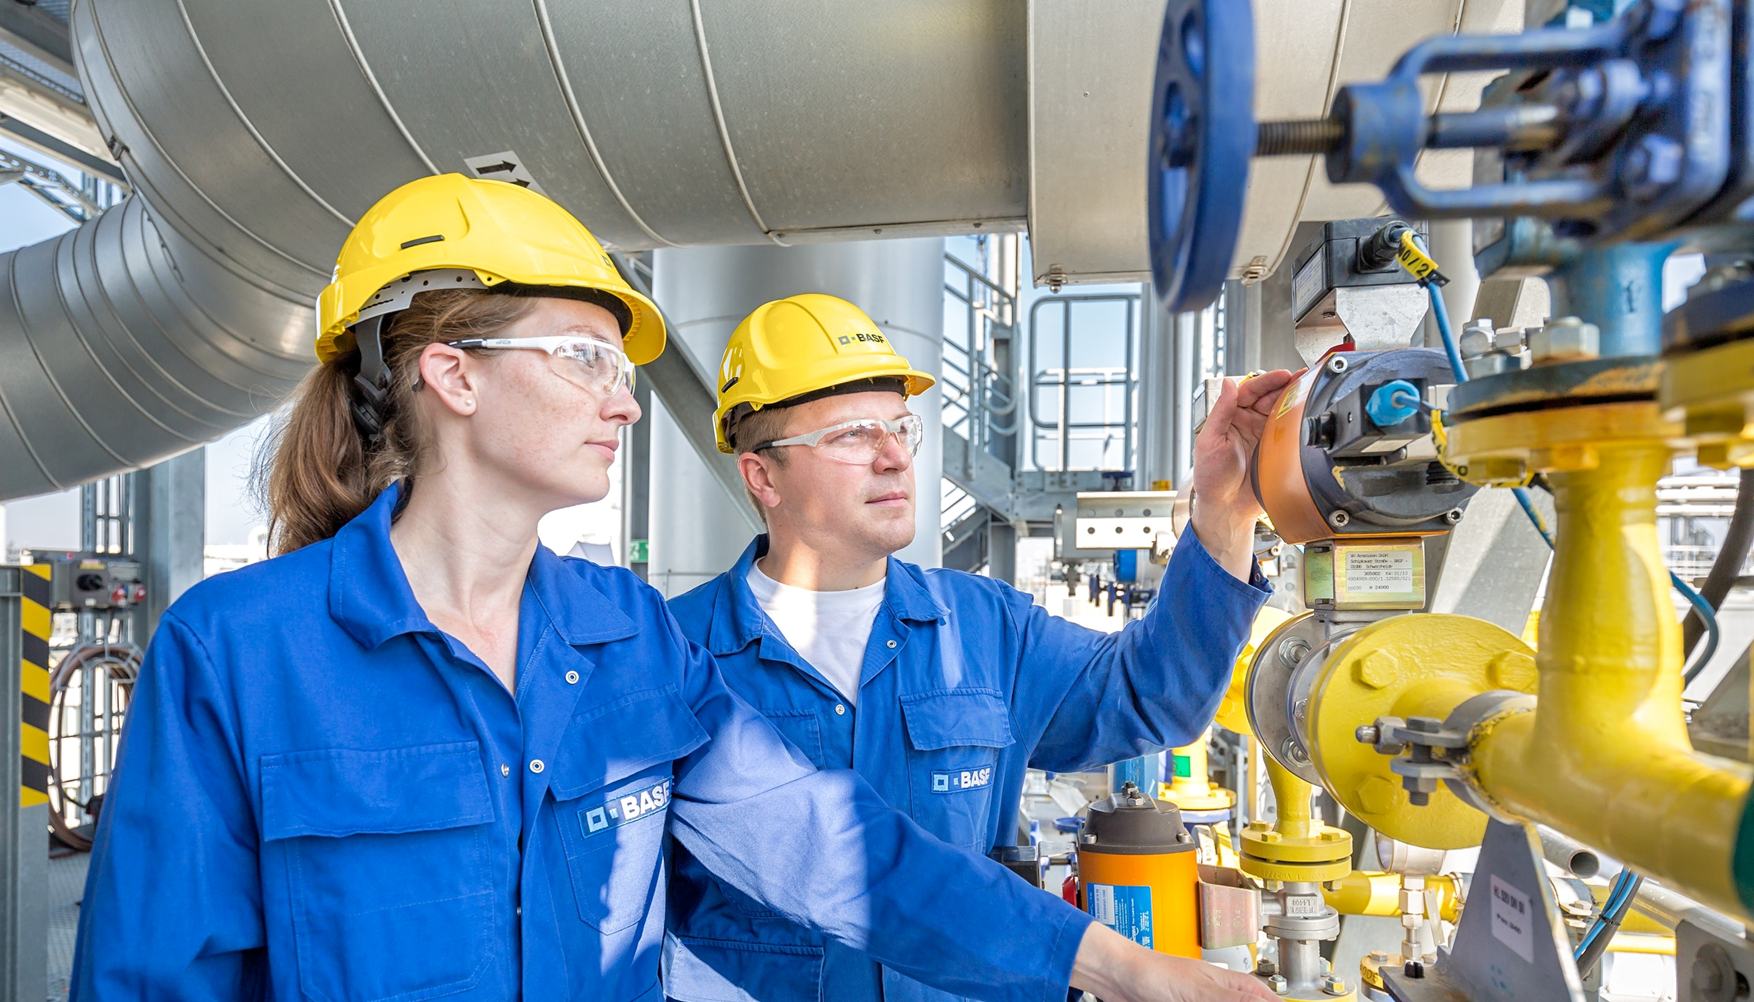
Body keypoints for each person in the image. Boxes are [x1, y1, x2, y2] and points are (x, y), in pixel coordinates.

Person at [70, 175, 1274, 1002]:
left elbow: (827, 844)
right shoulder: (239, 651)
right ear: (452, 374)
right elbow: (156, 975)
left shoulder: (625, 638)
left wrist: (1122, 967)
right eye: (586, 355)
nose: (623, 397)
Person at [665, 293, 1293, 1002]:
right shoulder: (673, 656)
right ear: (762, 475)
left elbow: (1157, 696)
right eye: (851, 435)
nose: (895, 457)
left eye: (901, 428)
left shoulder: (987, 630)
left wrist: (1225, 510)